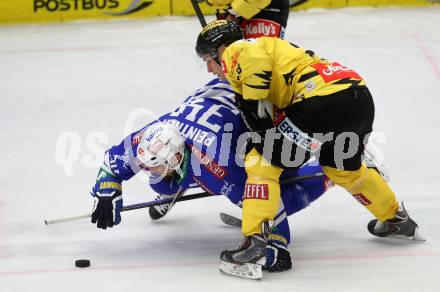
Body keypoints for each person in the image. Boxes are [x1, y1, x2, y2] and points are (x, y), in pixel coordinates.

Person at [195, 19, 423, 279]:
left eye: (207, 60)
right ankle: (396, 219)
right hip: (357, 99)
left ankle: (254, 245)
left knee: (262, 161)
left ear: (220, 50)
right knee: (344, 171)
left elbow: (254, 71)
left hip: (321, 103)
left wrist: (250, 101)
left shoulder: (239, 50)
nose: (209, 69)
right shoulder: (271, 49)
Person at [89, 78, 332, 277]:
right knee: (161, 183)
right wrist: (107, 191)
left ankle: (331, 172)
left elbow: (265, 198)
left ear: (175, 159)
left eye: (154, 166)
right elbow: (114, 163)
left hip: (254, 106)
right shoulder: (152, 134)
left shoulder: (218, 166)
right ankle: (177, 186)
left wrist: (277, 241)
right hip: (218, 93)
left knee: (282, 185)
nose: (146, 171)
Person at [206, 0, 290, 39]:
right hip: (231, 11)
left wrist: (233, 13)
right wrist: (223, 11)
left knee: (261, 58)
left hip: (268, 7)